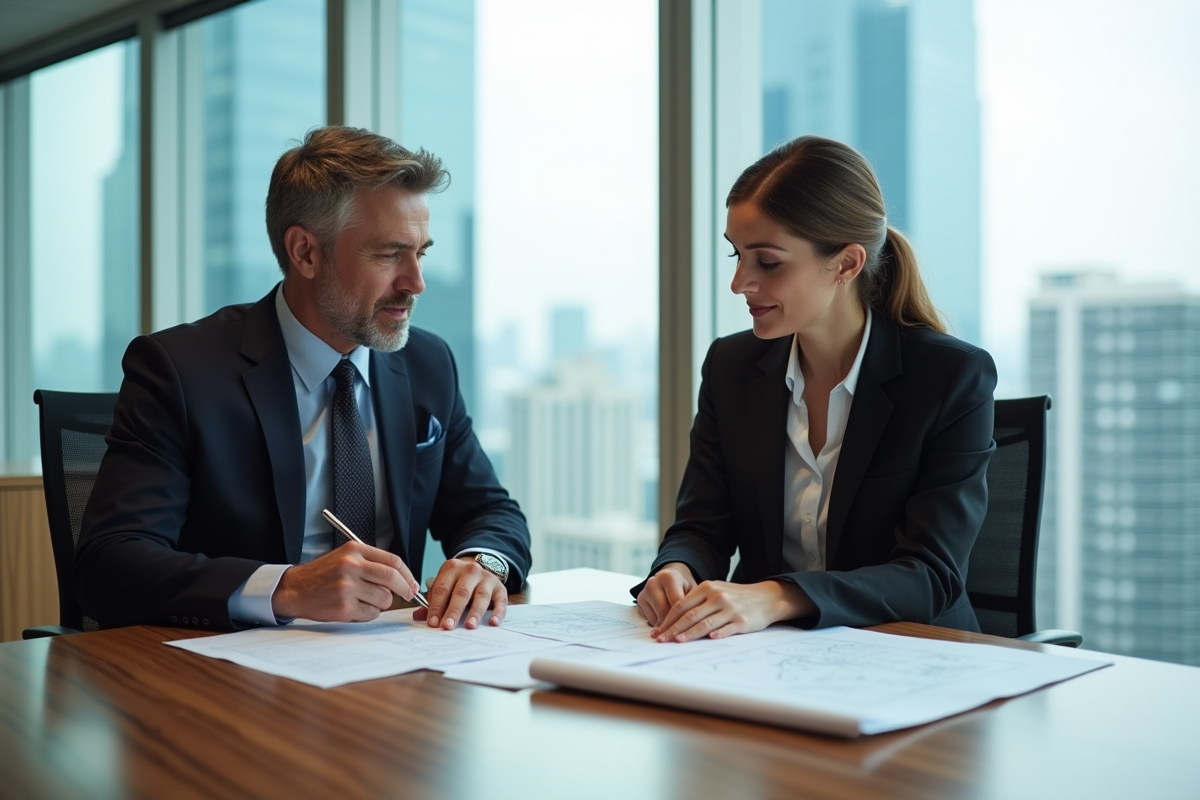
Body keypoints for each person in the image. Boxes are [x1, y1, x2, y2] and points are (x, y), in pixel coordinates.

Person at [75, 126, 530, 633]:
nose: (416, 283)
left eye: (420, 253)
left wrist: (482, 564)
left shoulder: (429, 363)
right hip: (233, 663)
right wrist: (286, 588)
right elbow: (108, 563)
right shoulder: (180, 370)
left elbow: (491, 511)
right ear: (306, 252)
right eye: (389, 255)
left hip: (398, 656)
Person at [636, 135, 996, 643]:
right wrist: (677, 569)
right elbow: (702, 526)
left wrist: (778, 596)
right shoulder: (730, 366)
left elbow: (930, 574)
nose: (739, 282)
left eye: (767, 262)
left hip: (908, 652)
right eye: (737, 255)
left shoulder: (950, 377)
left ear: (846, 264)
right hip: (765, 654)